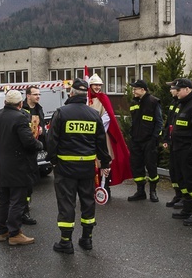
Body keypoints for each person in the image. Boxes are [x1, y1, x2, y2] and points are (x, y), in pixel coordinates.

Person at [47, 78, 112, 254]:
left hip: (65, 168)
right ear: (86, 95)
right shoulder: (94, 115)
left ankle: (65, 242)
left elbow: (51, 141)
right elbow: (101, 144)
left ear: (72, 93)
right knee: (88, 202)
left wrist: (52, 160)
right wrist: (105, 163)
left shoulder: (61, 113)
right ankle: (87, 239)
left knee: (66, 203)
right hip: (87, 169)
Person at [0, 90, 44, 246]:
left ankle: (2, 231)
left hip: (1, 163)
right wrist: (39, 145)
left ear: (5, 102)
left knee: (3, 199)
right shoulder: (20, 118)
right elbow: (28, 141)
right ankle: (15, 233)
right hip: (17, 165)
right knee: (17, 200)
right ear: (21, 104)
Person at [87, 74, 132, 195]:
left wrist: (96, 129)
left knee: (103, 161)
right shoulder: (86, 98)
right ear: (90, 85)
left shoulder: (103, 98)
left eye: (99, 85)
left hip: (101, 134)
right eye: (95, 85)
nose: (97, 87)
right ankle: (91, 187)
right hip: (87, 136)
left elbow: (108, 116)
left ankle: (104, 187)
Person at [168, 78, 192, 225]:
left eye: (179, 89)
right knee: (183, 181)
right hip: (178, 148)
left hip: (188, 150)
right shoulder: (181, 103)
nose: (176, 91)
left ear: (187, 89)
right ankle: (187, 209)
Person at [127, 79, 163, 202]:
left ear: (143, 90)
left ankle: (153, 191)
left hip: (149, 141)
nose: (133, 91)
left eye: (135, 89)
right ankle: (140, 191)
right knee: (136, 166)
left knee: (151, 166)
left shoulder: (153, 102)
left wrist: (154, 139)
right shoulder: (133, 102)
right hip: (136, 140)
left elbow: (159, 122)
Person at [19, 85, 46, 225]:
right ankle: (23, 211)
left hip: (33, 148)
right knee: (24, 180)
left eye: (39, 94)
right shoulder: (21, 109)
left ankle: (26, 205)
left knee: (31, 179)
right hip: (22, 150)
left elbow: (44, 126)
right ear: (28, 95)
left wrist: (43, 133)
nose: (38, 97)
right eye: (35, 94)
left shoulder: (39, 109)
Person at [162, 80, 183, 208]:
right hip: (173, 141)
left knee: (181, 172)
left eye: (173, 88)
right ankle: (178, 194)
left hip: (181, 144)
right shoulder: (173, 103)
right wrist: (165, 139)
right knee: (173, 171)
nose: (170, 90)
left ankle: (184, 198)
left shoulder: (183, 104)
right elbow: (168, 123)